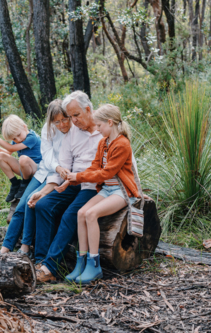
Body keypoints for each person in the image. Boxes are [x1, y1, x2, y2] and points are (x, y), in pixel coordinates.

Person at [32, 91, 103, 283]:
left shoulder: (104, 127)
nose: (72, 121)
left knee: (70, 214)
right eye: (70, 116)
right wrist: (46, 190)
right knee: (43, 206)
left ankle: (50, 267)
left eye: (76, 115)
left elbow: (125, 157)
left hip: (92, 184)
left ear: (88, 109)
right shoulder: (72, 132)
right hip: (71, 182)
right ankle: (40, 262)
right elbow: (63, 164)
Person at [65, 104, 140, 284]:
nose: (97, 130)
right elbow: (95, 167)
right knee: (81, 213)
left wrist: (79, 176)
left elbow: (106, 173)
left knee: (91, 214)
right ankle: (81, 262)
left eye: (99, 126)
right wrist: (73, 179)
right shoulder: (103, 143)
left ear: (110, 122)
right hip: (107, 190)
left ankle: (94, 264)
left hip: (122, 191)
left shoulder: (122, 144)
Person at [0, 101, 72, 257]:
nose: (60, 124)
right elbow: (46, 157)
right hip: (42, 172)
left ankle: (25, 247)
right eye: (56, 121)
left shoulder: (69, 133)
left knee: (29, 203)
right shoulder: (47, 131)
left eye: (64, 120)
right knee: (21, 207)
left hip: (51, 175)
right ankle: (6, 248)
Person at [0, 115, 42, 203]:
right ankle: (15, 183)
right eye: (14, 138)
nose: (18, 139)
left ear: (24, 126)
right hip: (24, 169)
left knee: (23, 159)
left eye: (18, 135)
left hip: (37, 169)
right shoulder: (17, 140)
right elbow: (8, 153)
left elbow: (11, 148)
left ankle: (25, 183)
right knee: (0, 156)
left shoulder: (32, 137)